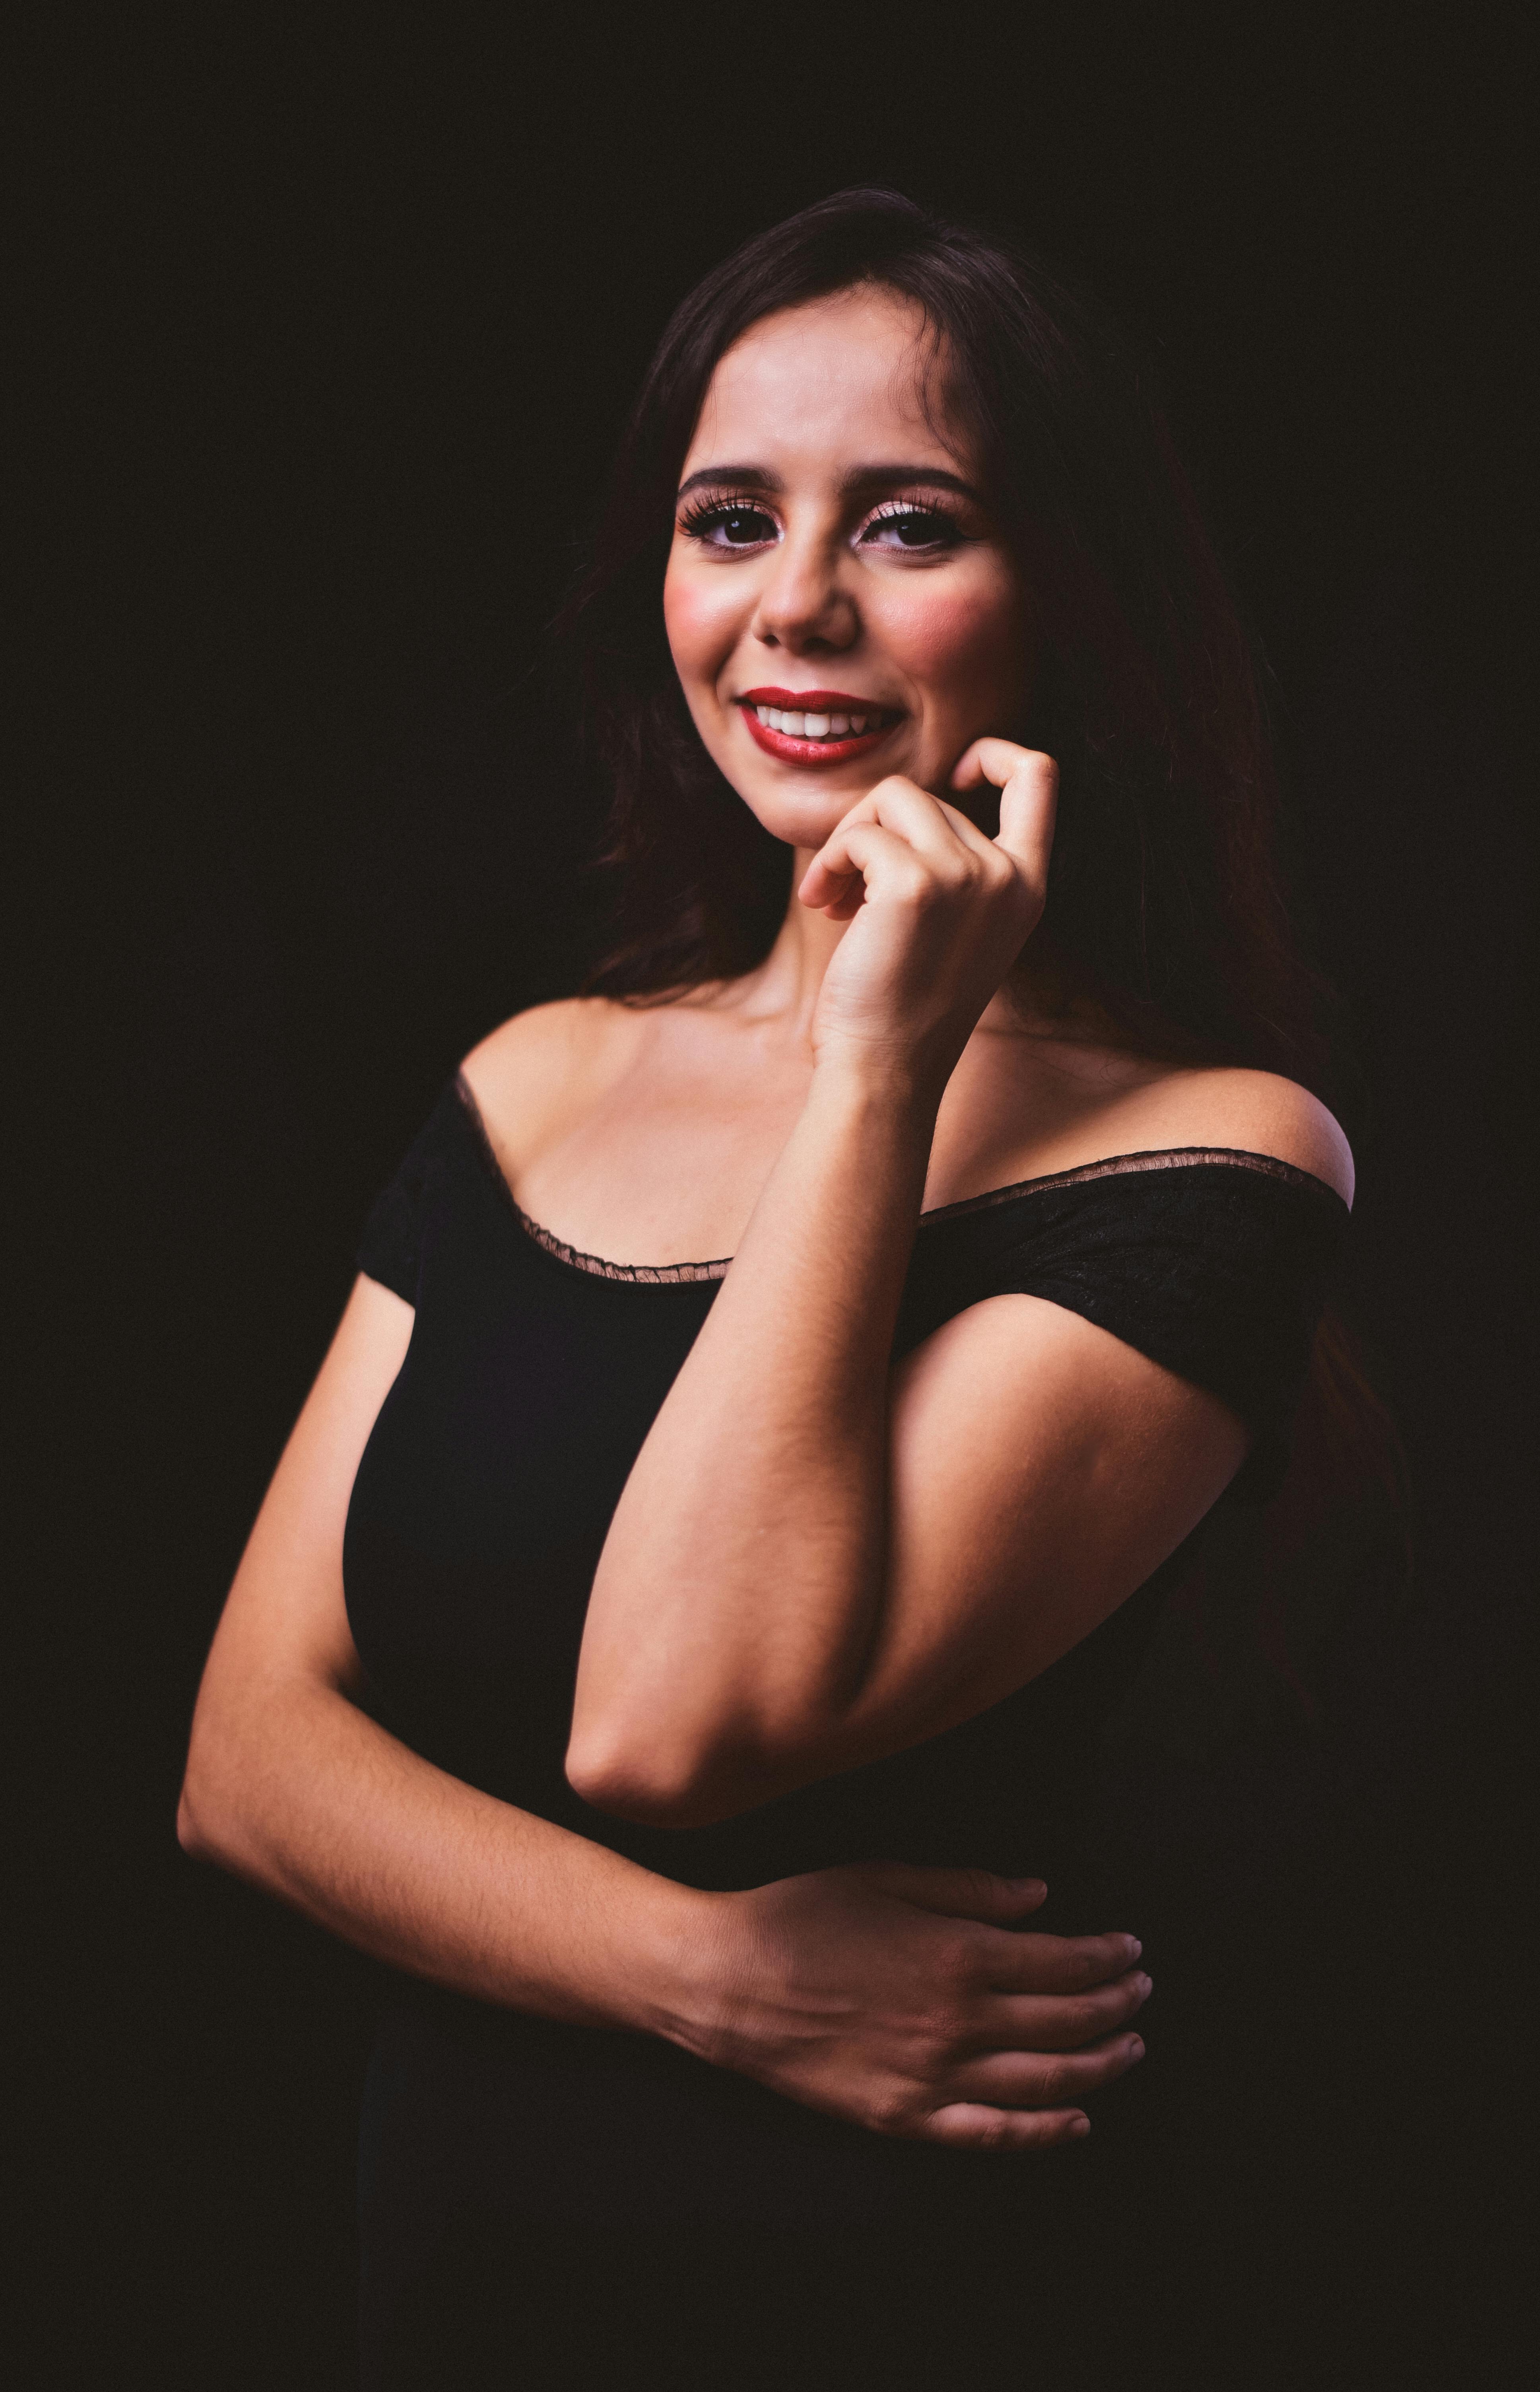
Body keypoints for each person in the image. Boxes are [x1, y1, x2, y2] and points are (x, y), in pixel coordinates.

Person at [178, 190, 1364, 2388]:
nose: (795, 607)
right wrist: (719, 1980)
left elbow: (676, 1722)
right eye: (732, 519)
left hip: (898, 2292)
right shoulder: (537, 1078)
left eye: (909, 525)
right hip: (453, 2278)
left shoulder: (1217, 1153)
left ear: (1069, 605)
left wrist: (877, 1062)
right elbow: (246, 1764)